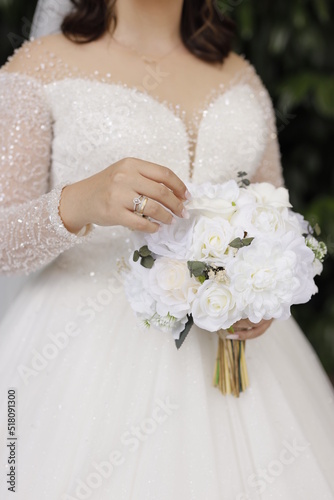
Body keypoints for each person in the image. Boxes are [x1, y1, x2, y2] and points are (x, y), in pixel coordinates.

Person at [0, 0, 333, 498]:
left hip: (236, 355)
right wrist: (80, 202)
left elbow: (273, 210)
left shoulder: (240, 74)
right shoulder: (38, 68)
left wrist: (267, 293)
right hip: (80, 359)